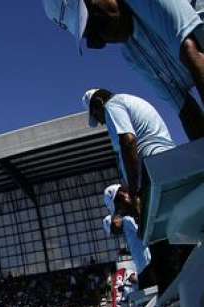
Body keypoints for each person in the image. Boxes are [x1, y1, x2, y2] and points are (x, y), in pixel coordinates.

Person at [44, 0, 204, 138]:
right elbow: (186, 110)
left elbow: (194, 53)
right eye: (90, 36)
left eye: (96, 20)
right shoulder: (132, 55)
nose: (101, 41)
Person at [83, 89, 176, 204]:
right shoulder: (126, 100)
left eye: (96, 115)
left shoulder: (112, 106)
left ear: (99, 102)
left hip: (155, 167)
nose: (101, 122)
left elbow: (128, 142)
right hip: (162, 160)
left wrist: (134, 190)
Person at [102, 184, 154, 276]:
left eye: (114, 229)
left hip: (146, 263)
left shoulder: (128, 220)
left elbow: (143, 233)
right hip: (142, 266)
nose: (121, 209)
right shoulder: (127, 225)